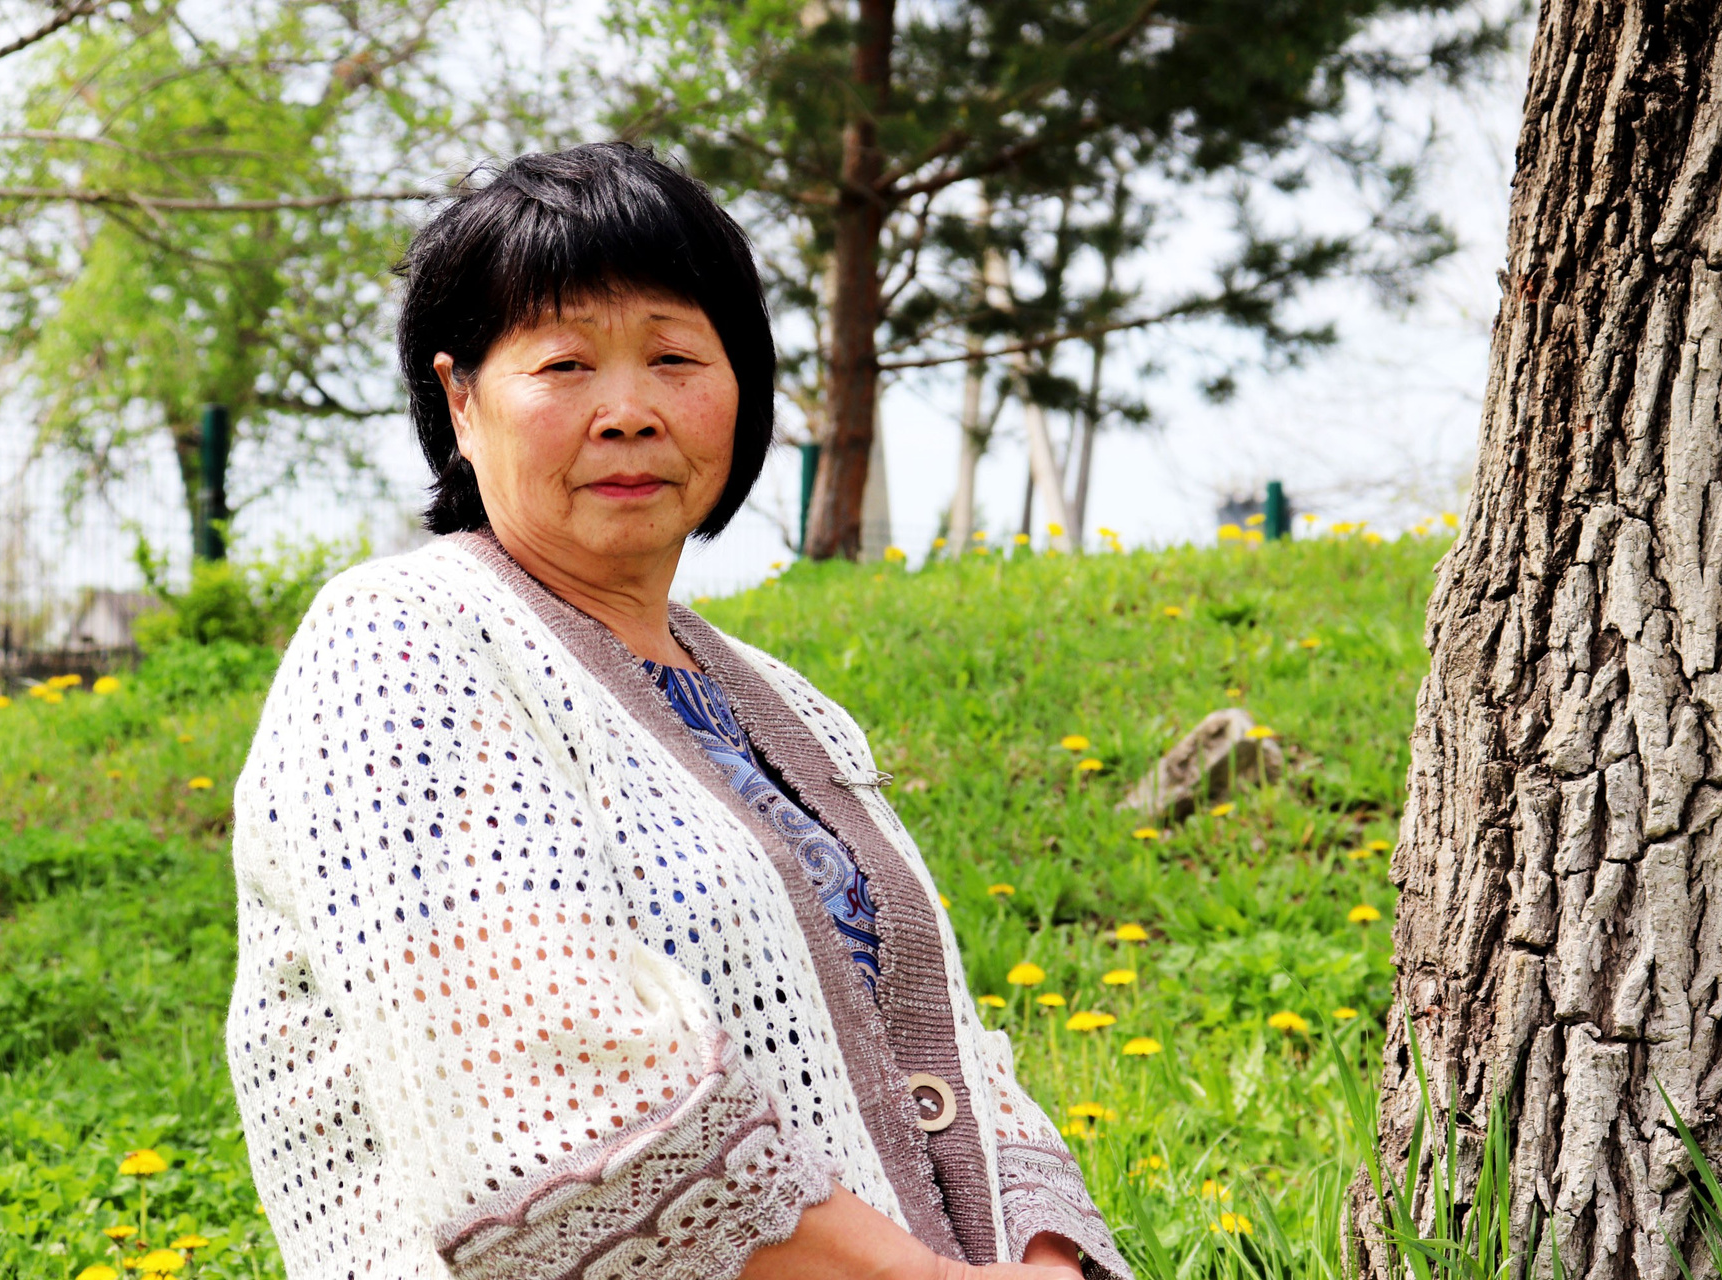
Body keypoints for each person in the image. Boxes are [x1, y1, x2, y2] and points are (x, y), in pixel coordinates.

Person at [226, 142, 1129, 1280]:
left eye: (674, 357)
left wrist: (1045, 1257)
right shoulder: (401, 642)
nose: (629, 412)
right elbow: (545, 1107)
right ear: (460, 400)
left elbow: (954, 1049)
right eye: (565, 364)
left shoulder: (783, 702)